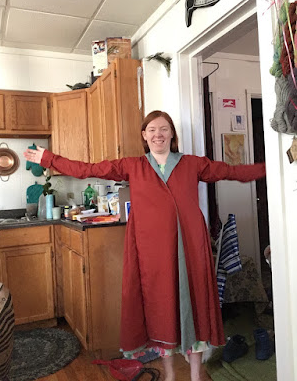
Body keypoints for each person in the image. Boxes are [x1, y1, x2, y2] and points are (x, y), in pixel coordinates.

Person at [24, 110, 266, 381]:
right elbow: (87, 169)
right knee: (160, 312)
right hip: (152, 254)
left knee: (193, 308)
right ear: (144, 136)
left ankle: (196, 375)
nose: (158, 134)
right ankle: (171, 376)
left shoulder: (192, 164)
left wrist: (273, 166)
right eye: (152, 130)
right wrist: (49, 159)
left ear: (172, 134)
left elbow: (232, 171)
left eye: (163, 129)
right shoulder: (133, 165)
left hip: (189, 250)